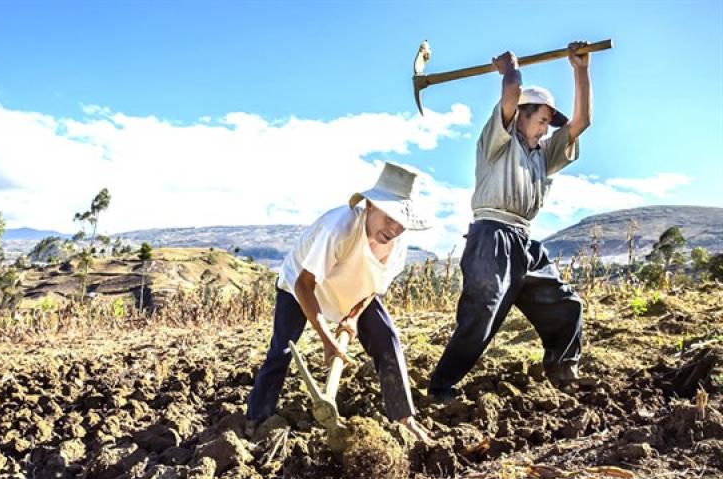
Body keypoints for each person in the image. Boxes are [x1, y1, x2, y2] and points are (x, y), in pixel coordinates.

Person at [428, 41, 593, 402]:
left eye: (549, 123)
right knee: (482, 314)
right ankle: (441, 386)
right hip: (491, 236)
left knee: (566, 304)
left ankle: (563, 370)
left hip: (524, 241)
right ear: (521, 114)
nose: (547, 130)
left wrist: (580, 70)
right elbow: (512, 91)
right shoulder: (497, 142)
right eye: (542, 120)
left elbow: (581, 122)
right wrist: (510, 70)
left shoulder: (542, 155)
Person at [246, 162, 431, 442]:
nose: (394, 227)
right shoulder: (339, 229)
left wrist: (353, 317)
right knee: (282, 350)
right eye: (389, 216)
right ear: (370, 205)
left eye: (401, 221)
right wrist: (326, 339)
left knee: (387, 338)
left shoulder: (398, 246)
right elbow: (304, 285)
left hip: (349, 290)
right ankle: (256, 418)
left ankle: (405, 419)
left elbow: (373, 288)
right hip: (301, 285)